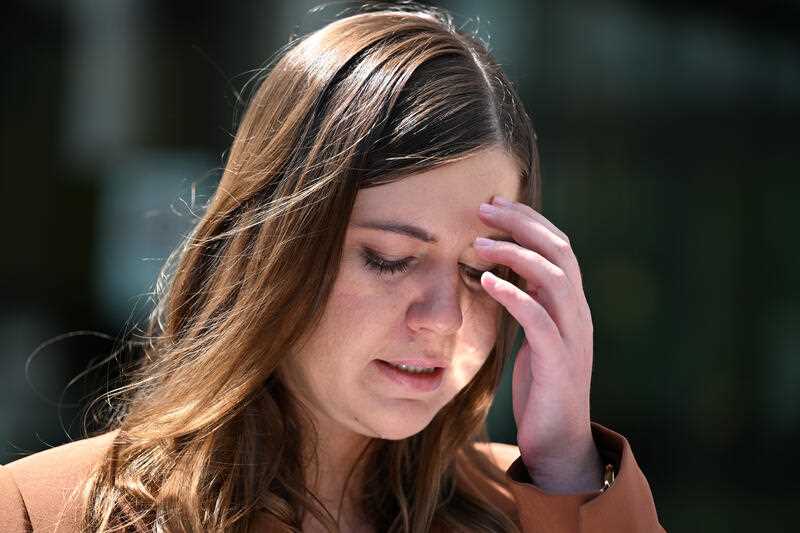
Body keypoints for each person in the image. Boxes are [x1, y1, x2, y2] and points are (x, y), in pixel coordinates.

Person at [0, 3, 666, 532]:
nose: (443, 317)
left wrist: (566, 465)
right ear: (273, 248)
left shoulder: (542, 506)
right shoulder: (39, 512)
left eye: (479, 272)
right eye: (391, 258)